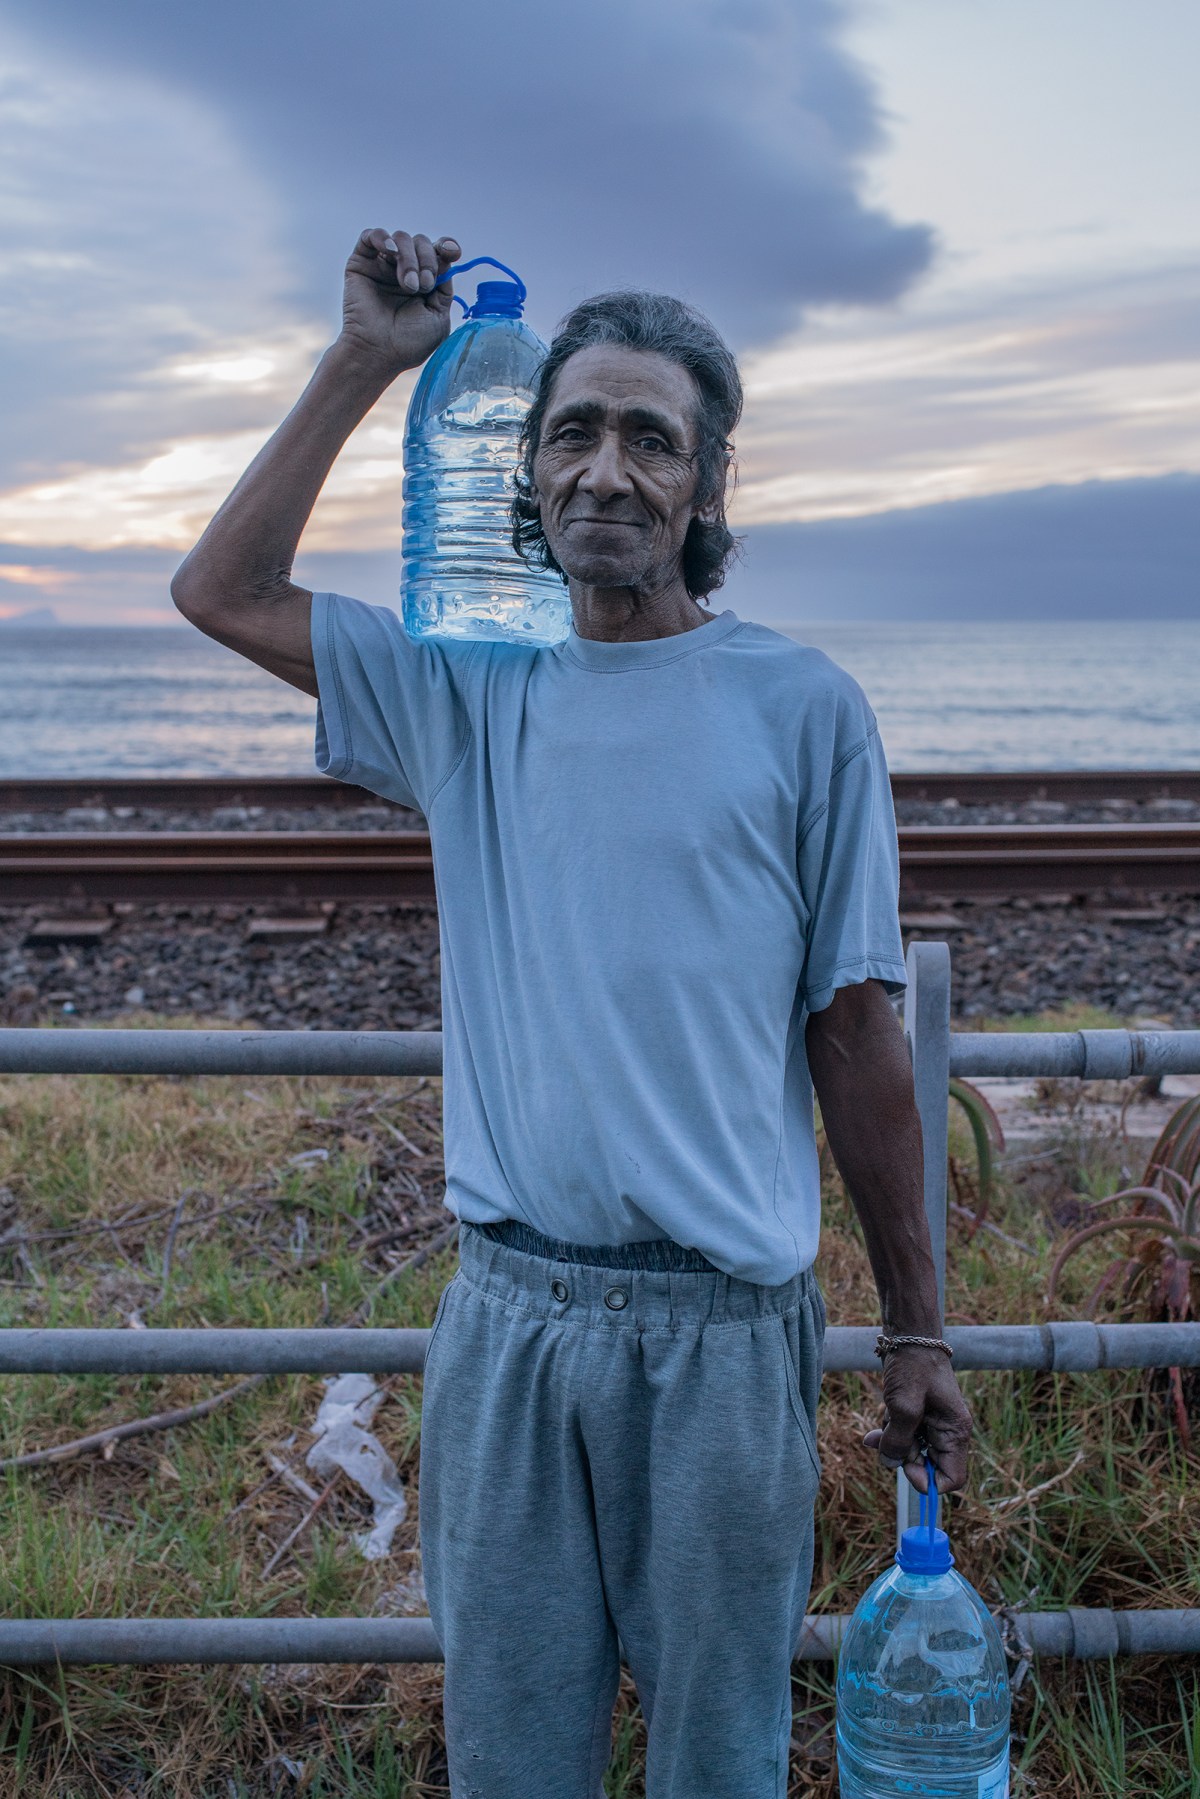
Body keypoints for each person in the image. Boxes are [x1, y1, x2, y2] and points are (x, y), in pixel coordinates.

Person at [173, 227, 973, 1799]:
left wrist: (917, 1328)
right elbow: (222, 587)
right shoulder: (466, 686)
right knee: (514, 1765)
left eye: (651, 438)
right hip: (513, 1320)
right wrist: (364, 362)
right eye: (572, 431)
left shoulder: (800, 707)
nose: (607, 470)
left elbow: (859, 1032)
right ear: (523, 473)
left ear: (707, 487)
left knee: (716, 1765)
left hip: (727, 1343)